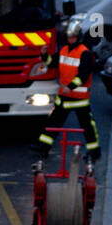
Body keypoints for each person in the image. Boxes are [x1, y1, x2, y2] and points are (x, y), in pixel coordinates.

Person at [35, 16, 101, 161]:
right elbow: (52, 63)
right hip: (64, 97)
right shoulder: (64, 50)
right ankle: (43, 148)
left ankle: (94, 152)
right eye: (69, 37)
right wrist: (44, 55)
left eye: (73, 37)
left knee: (88, 127)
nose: (71, 39)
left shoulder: (85, 53)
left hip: (79, 99)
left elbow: (83, 76)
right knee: (53, 123)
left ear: (78, 37)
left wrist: (70, 87)